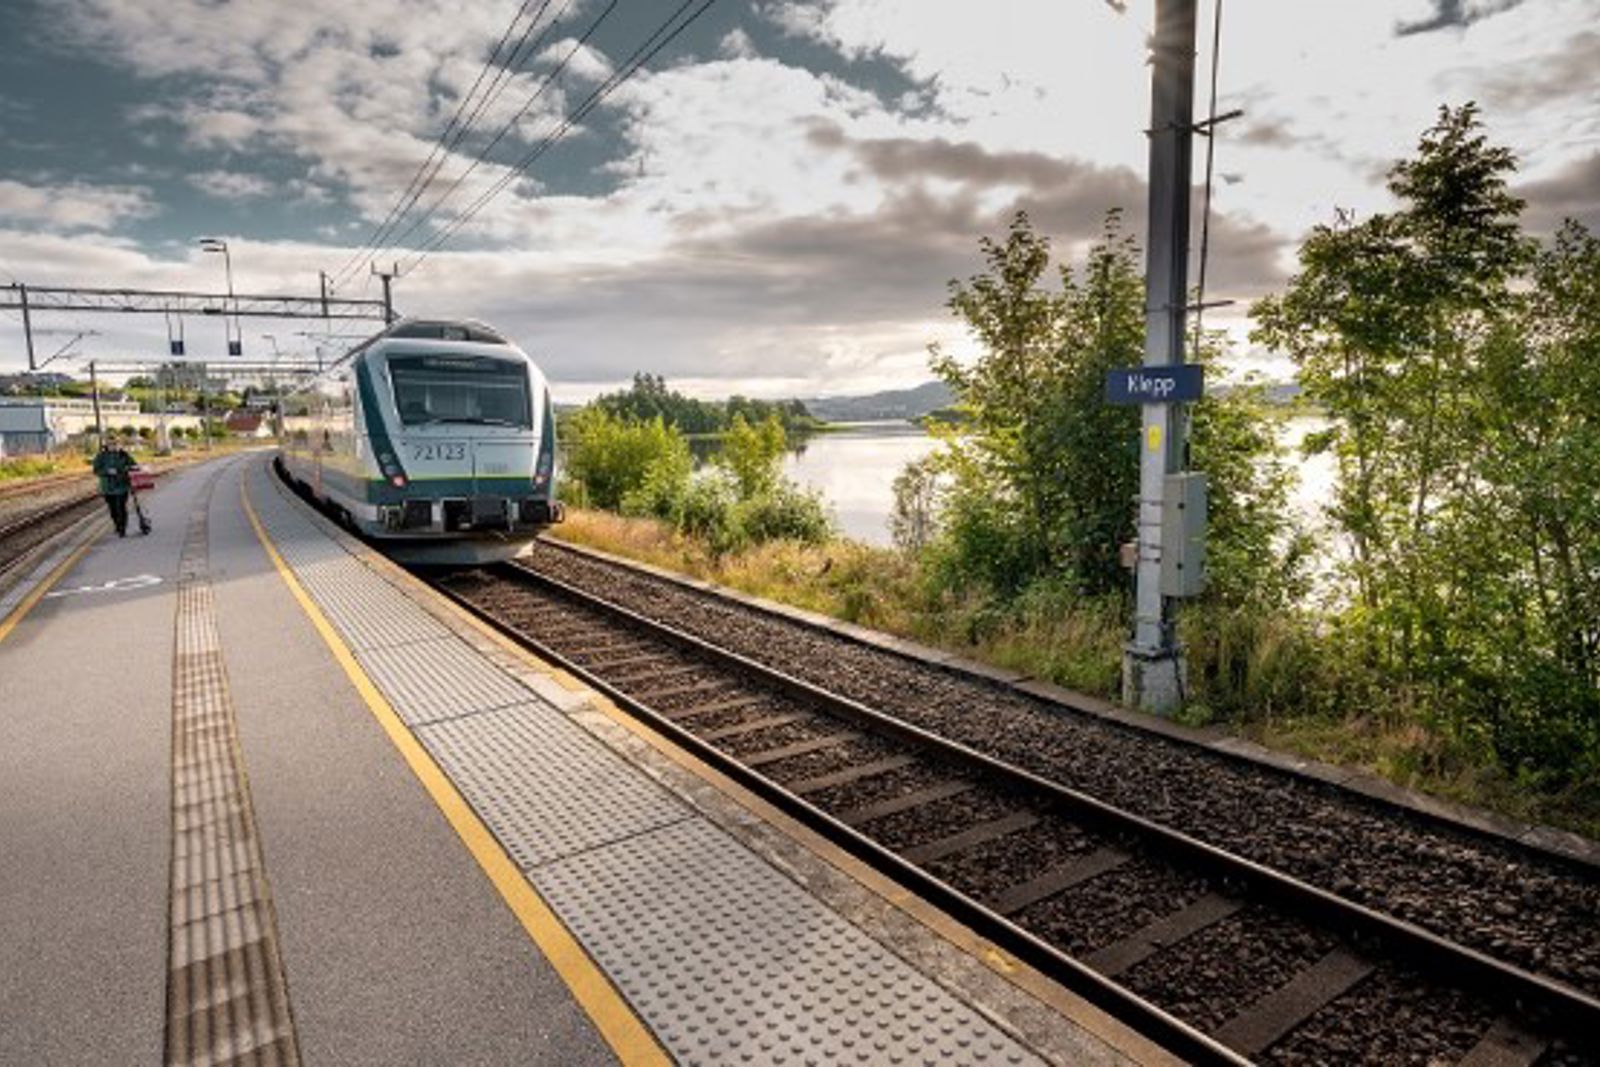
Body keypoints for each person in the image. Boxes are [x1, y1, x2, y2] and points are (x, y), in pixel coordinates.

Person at [92, 435, 135, 537]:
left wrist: (125, 469)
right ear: (106, 445)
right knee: (113, 510)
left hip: (122, 486)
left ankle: (122, 529)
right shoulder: (101, 456)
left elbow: (133, 465)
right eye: (110, 444)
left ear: (118, 444)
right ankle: (117, 524)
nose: (113, 446)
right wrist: (107, 471)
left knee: (121, 508)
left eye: (115, 444)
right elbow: (96, 470)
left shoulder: (123, 455)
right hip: (108, 488)